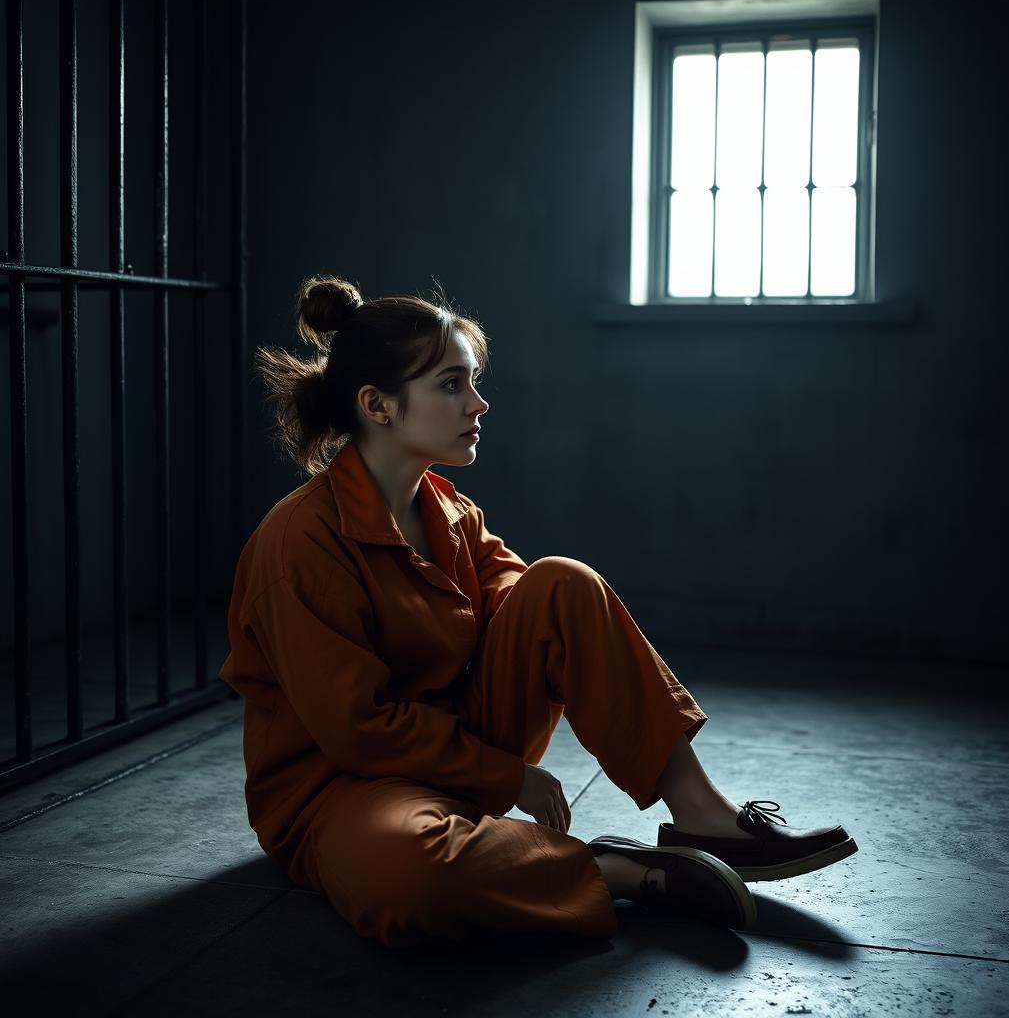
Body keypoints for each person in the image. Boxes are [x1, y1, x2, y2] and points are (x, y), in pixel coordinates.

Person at [218, 276, 857, 948]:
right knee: (408, 877)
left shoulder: (447, 510)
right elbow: (357, 730)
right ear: (378, 405)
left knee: (563, 583)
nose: (479, 403)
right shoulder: (301, 541)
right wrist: (507, 776)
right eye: (451, 385)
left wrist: (509, 734)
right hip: (342, 791)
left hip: (454, 753)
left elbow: (529, 607)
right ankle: (617, 871)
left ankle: (703, 816)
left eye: (473, 382)